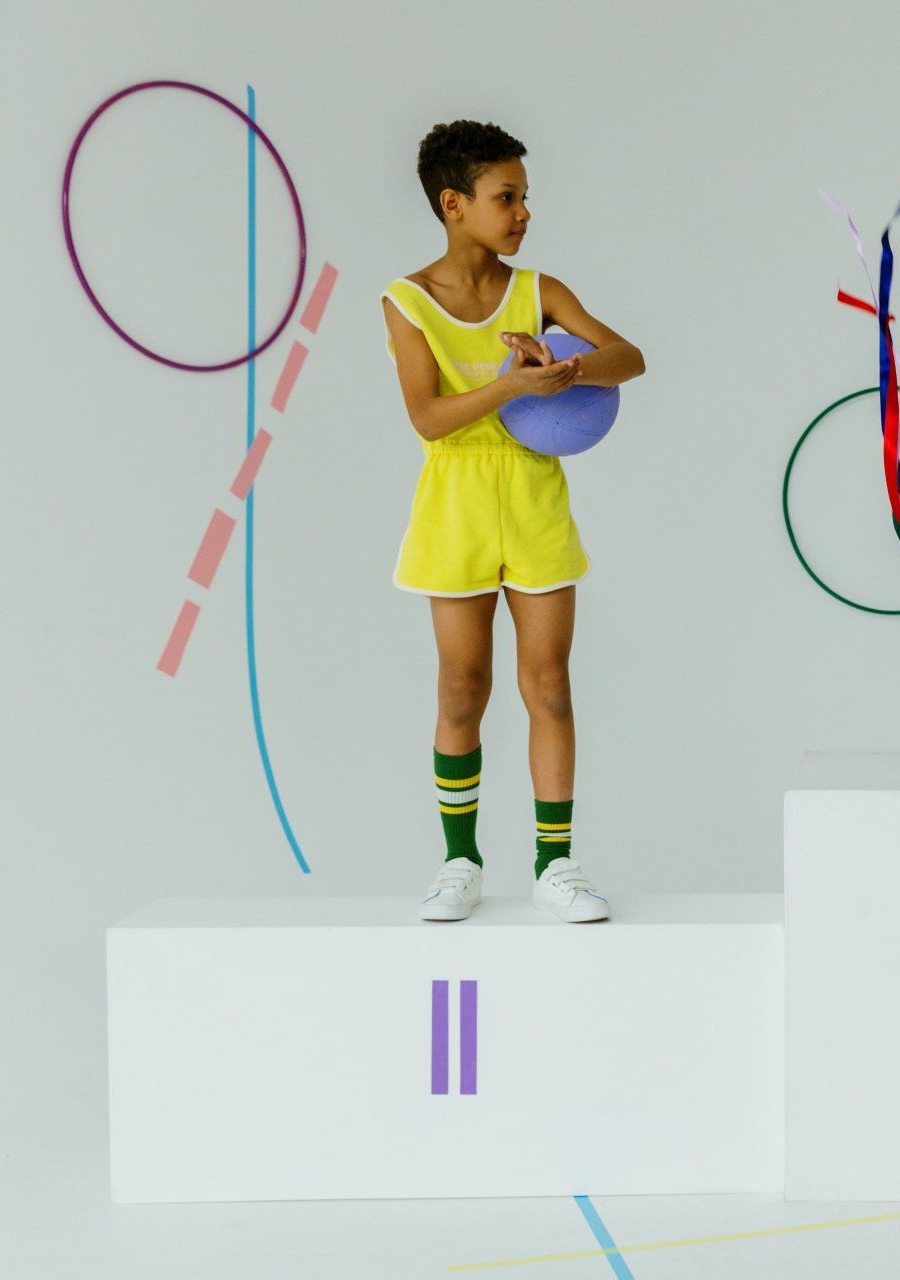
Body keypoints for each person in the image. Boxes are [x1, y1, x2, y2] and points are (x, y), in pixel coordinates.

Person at [379, 120, 645, 922]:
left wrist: (566, 367)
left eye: (525, 196)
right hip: (454, 506)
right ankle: (459, 861)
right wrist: (510, 386)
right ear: (453, 204)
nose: (523, 211)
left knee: (549, 684)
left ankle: (555, 864)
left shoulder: (541, 291)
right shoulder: (406, 301)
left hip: (533, 499)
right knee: (463, 687)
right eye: (506, 196)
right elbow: (428, 418)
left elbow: (630, 357)